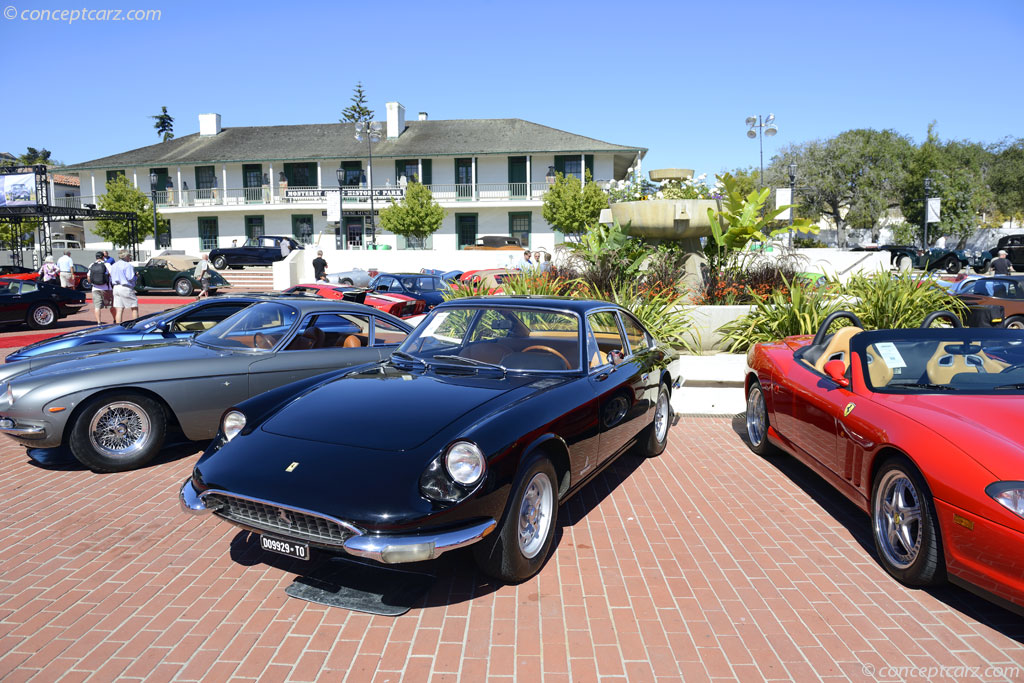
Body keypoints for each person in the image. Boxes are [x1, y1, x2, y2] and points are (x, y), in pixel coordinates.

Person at [110, 251, 138, 323]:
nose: (129, 258)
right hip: (125, 287)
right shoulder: (127, 265)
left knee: (119, 309)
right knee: (134, 307)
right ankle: (136, 325)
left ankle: (118, 326)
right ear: (125, 256)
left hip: (116, 287)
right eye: (129, 256)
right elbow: (130, 277)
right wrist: (136, 276)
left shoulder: (114, 265)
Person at [88, 251, 115, 325]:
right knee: (111, 306)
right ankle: (115, 320)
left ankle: (99, 322)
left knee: (97, 307)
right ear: (103, 257)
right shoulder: (107, 264)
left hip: (95, 288)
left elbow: (88, 277)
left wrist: (92, 283)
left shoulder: (91, 265)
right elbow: (111, 274)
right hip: (106, 288)